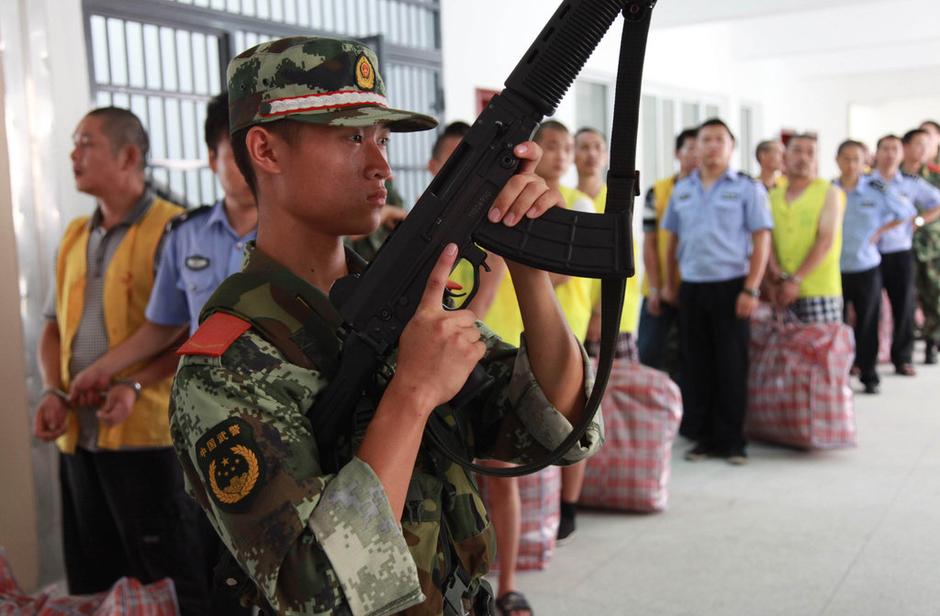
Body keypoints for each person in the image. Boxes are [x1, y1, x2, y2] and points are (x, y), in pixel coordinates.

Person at [170, 36, 601, 616]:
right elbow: (318, 591)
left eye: (382, 138)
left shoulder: (404, 302)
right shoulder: (226, 364)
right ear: (266, 151)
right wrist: (412, 394)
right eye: (351, 137)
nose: (379, 164)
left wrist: (527, 269)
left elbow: (561, 427)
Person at [67, 93, 257, 615]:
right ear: (213, 159)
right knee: (206, 566)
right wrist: (100, 373)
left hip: (279, 426)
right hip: (201, 430)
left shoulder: (298, 236)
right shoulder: (186, 234)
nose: (239, 167)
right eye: (227, 153)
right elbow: (163, 326)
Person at [32, 107, 209, 613]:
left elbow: (194, 334)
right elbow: (51, 327)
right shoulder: (74, 236)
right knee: (94, 582)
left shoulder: (174, 230)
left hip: (148, 443)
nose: (73, 154)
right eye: (74, 142)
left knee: (168, 584)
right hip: (81, 440)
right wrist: (51, 388)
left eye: (85, 142)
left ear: (129, 155)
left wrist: (131, 385)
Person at [430, 120, 534, 616]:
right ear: (433, 169)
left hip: (480, 357)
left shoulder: (490, 232)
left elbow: (481, 304)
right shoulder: (409, 231)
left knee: (502, 477)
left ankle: (509, 582)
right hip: (431, 367)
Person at [662, 118, 773, 465]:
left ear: (731, 146)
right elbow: (671, 242)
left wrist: (751, 289)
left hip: (732, 288)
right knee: (696, 364)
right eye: (705, 139)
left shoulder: (746, 188)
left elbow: (761, 239)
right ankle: (704, 438)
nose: (711, 146)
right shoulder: (682, 189)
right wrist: (670, 284)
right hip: (693, 288)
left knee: (730, 364)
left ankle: (732, 441)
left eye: (718, 140)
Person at [834, 140, 908, 393]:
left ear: (866, 161)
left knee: (867, 322)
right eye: (846, 158)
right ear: (837, 160)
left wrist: (880, 231)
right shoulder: (830, 190)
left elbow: (905, 211)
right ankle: (840, 372)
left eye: (857, 158)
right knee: (838, 325)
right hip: (835, 269)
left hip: (866, 266)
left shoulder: (876, 188)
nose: (851, 164)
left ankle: (869, 372)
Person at [873, 133, 940, 375]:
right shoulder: (865, 181)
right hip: (868, 254)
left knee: (904, 307)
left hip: (900, 250)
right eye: (885, 149)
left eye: (894, 149)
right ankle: (865, 359)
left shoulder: (911, 182)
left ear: (900, 153)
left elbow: (936, 202)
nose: (890, 154)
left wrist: (919, 220)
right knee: (869, 309)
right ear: (877, 153)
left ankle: (902, 358)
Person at [575, 126, 643, 362]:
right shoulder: (569, 200)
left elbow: (622, 258)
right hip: (576, 313)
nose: (591, 154)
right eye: (584, 147)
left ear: (606, 157)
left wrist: (600, 313)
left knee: (617, 391)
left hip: (613, 313)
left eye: (597, 148)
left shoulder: (617, 201)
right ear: (573, 154)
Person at [636, 128, 699, 374]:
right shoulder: (659, 191)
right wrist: (655, 288)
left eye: (700, 149)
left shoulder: (710, 192)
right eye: (690, 149)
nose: (696, 155)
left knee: (691, 363)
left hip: (695, 290)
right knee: (651, 357)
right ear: (677, 153)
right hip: (659, 291)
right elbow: (650, 242)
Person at [765, 134, 845, 324]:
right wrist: (773, 272)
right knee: (785, 351)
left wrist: (796, 280)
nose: (804, 158)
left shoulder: (829, 192)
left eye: (811, 153)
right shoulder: (773, 196)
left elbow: (826, 241)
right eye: (797, 151)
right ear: (785, 156)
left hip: (819, 289)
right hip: (780, 289)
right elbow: (766, 238)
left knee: (819, 351)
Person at [901, 128, 940, 365]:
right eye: (918, 144)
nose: (923, 149)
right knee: (906, 298)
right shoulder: (890, 177)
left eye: (928, 145)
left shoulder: (935, 176)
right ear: (905, 146)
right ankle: (903, 347)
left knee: (934, 293)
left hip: (932, 245)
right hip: (900, 246)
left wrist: (920, 221)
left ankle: (932, 341)